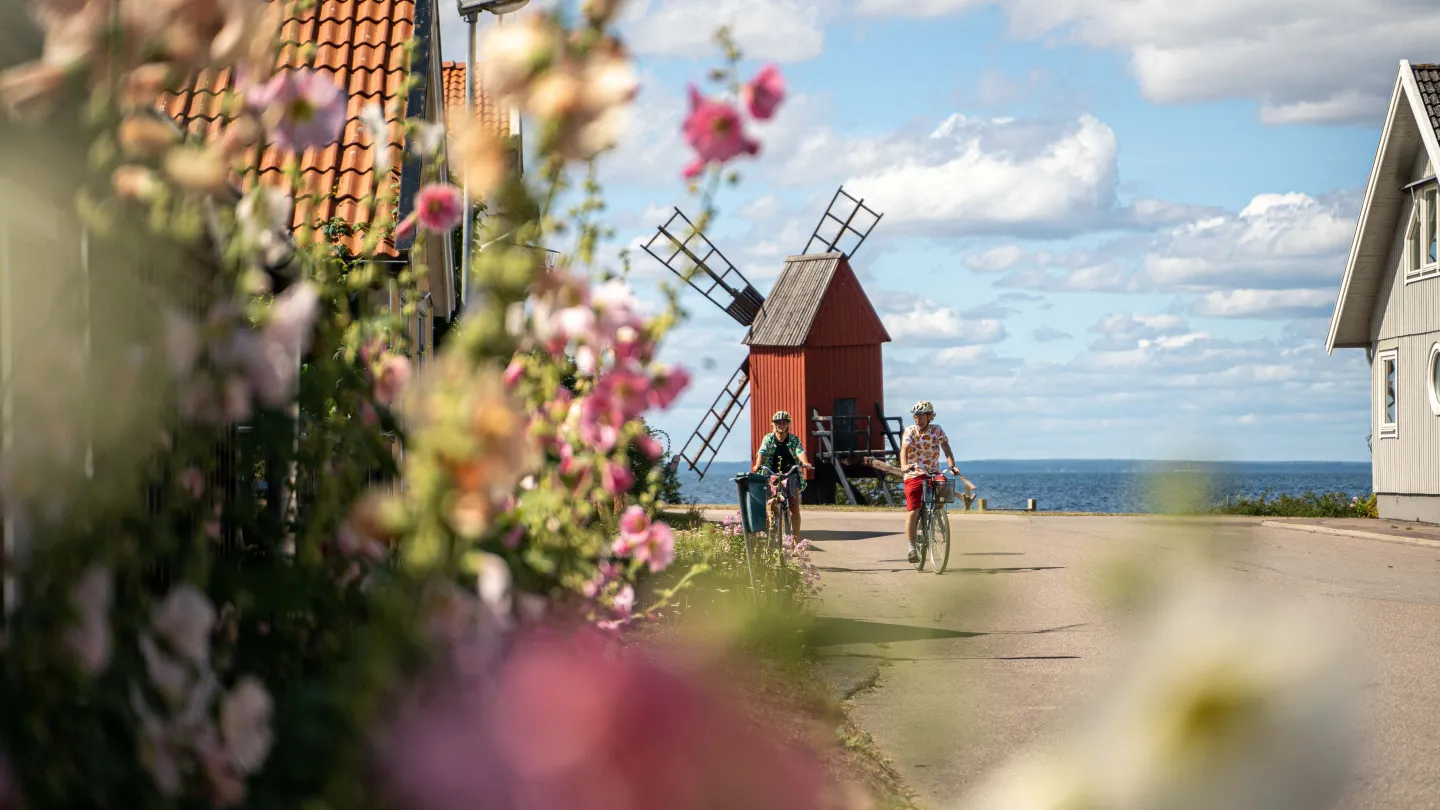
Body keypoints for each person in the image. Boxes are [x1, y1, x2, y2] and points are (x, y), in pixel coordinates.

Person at [899, 400, 966, 563]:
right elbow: (904, 451)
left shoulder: (937, 430)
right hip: (914, 473)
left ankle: (937, 513)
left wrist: (953, 467)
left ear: (930, 416)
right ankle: (912, 548)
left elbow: (948, 452)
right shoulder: (909, 432)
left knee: (943, 484)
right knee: (913, 511)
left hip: (934, 471)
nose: (918, 419)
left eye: (921, 416)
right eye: (916, 416)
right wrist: (904, 465)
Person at [753, 410, 814, 538]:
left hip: (790, 473)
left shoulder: (793, 439)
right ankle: (773, 527)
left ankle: (796, 540)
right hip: (772, 473)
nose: (781, 425)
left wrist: (805, 462)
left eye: (784, 423)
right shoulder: (768, 438)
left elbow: (799, 451)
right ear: (774, 424)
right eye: (778, 423)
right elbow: (762, 452)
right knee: (771, 503)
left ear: (788, 425)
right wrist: (758, 464)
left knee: (794, 506)